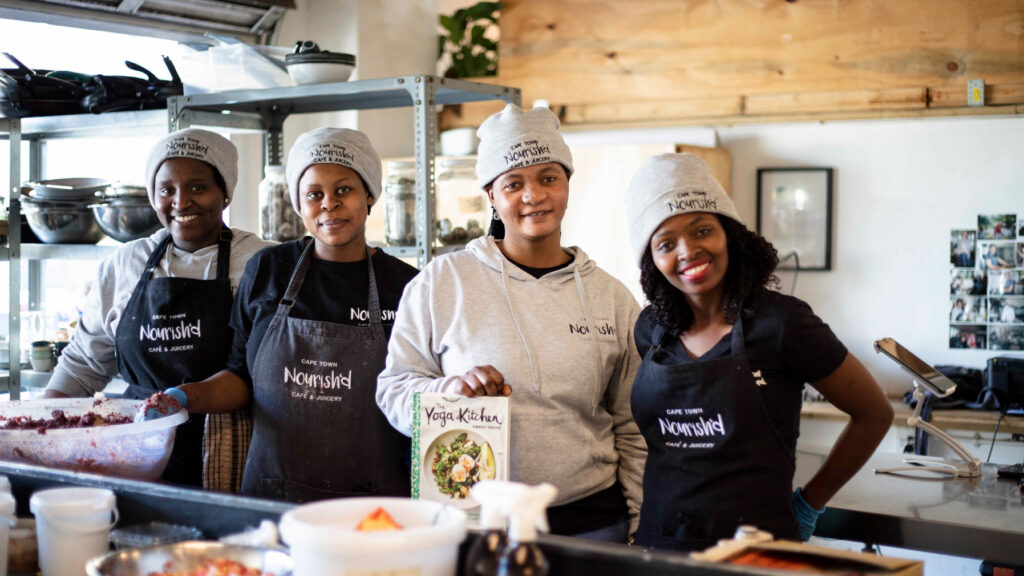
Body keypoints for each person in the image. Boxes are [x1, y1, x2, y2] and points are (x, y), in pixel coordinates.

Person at [377, 104, 646, 542]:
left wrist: (638, 524)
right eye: (513, 183)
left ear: (567, 183)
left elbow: (633, 425)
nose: (533, 195)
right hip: (477, 524)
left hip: (593, 524)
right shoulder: (442, 283)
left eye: (548, 178)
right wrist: (449, 392)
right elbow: (392, 390)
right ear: (491, 196)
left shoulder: (611, 297)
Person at [623, 153, 893, 552]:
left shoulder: (782, 323)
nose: (687, 251)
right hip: (661, 550)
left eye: (701, 230)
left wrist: (809, 503)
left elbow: (874, 414)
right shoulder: (652, 330)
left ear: (729, 233)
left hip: (757, 553)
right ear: (652, 260)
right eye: (666, 243)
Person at [153, 127, 418, 502]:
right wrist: (185, 396)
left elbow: (419, 391)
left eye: (344, 190)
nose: (329, 204)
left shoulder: (407, 285)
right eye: (314, 194)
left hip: (372, 500)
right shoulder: (268, 270)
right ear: (298, 203)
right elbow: (240, 376)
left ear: (369, 194)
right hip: (273, 495)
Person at [44, 129, 270, 488]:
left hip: (232, 450)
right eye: (166, 190)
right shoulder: (125, 264)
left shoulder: (261, 262)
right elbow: (84, 364)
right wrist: (39, 424)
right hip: (136, 448)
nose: (181, 202)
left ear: (225, 192)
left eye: (198, 187)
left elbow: (268, 374)